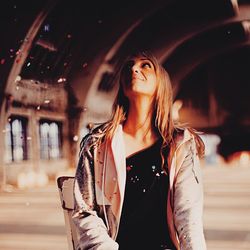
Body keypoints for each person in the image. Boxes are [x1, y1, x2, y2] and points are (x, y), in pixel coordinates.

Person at [72, 51, 207, 250]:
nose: (134, 69)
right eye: (128, 67)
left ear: (161, 84)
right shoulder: (97, 143)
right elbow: (85, 210)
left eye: (145, 66)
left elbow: (188, 215)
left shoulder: (180, 144)